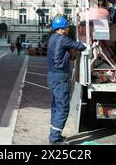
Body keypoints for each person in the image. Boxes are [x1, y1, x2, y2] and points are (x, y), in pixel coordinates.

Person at [47, 17, 86, 145]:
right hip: (60, 77)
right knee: (63, 108)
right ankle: (54, 139)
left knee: (55, 107)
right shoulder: (63, 39)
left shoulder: (52, 38)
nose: (69, 29)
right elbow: (80, 46)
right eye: (67, 27)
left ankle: (55, 135)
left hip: (52, 76)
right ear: (62, 29)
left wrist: (69, 53)